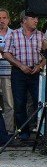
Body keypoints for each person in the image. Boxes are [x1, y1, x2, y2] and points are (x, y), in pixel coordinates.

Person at [1, 11, 45, 142]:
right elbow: (6, 54)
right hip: (18, 72)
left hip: (35, 72)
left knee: (40, 102)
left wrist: (40, 65)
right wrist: (20, 66)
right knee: (19, 103)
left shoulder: (41, 36)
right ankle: (23, 132)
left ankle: (40, 130)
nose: (36, 20)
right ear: (24, 20)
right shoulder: (14, 34)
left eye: (37, 18)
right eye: (33, 18)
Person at [0, 9, 13, 143]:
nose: (1, 20)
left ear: (8, 20)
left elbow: (14, 52)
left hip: (8, 72)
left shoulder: (13, 34)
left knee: (9, 103)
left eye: (4, 18)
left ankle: (9, 132)